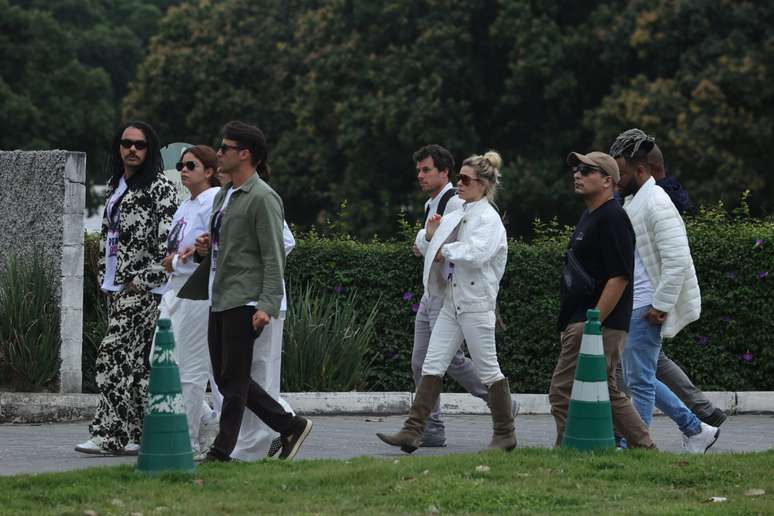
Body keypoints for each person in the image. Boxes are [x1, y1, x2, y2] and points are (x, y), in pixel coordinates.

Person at [178, 121, 311, 462]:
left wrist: (266, 304)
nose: (218, 153)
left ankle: (223, 449)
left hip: (245, 298)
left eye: (224, 148)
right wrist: (209, 246)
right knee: (226, 379)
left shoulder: (263, 197)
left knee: (234, 380)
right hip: (220, 296)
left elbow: (274, 254)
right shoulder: (224, 195)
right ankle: (289, 424)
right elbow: (231, 247)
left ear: (245, 154)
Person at [377, 151, 517, 453]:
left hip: (477, 304)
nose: (459, 183)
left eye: (465, 179)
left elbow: (477, 254)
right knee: (432, 363)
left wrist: (443, 248)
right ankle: (413, 430)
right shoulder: (461, 213)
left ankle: (505, 433)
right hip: (454, 300)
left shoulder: (489, 218)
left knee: (489, 369)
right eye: (459, 178)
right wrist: (429, 238)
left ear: (482, 184)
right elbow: (425, 241)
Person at [610, 130, 720, 453]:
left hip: (647, 306)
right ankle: (695, 428)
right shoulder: (637, 200)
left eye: (623, 172)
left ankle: (638, 448)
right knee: (636, 377)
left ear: (640, 171)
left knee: (639, 380)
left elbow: (677, 260)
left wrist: (660, 306)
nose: (617, 179)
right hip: (638, 303)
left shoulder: (656, 203)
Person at [76, 121, 178, 455]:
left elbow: (169, 248)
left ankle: (109, 435)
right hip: (116, 288)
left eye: (140, 145)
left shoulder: (160, 187)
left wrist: (140, 282)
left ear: (150, 150)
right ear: (117, 147)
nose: (132, 149)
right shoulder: (116, 184)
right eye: (125, 143)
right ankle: (137, 434)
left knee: (109, 356)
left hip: (143, 291)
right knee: (133, 364)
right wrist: (109, 280)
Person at [549, 150, 655, 449]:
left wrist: (593, 323)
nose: (577, 175)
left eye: (586, 170)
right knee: (606, 392)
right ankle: (644, 446)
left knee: (563, 390)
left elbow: (620, 276)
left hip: (597, 323)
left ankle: (571, 449)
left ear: (607, 180)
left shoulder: (613, 218)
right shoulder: (591, 216)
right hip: (584, 321)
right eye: (576, 170)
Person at [156, 145, 220, 455]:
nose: (183, 169)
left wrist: (181, 260)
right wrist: (174, 261)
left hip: (197, 292)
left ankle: (191, 441)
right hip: (174, 291)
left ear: (209, 171)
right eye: (181, 164)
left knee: (191, 369)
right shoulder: (186, 205)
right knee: (162, 361)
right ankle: (208, 417)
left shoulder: (213, 203)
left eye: (191, 165)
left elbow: (212, 253)